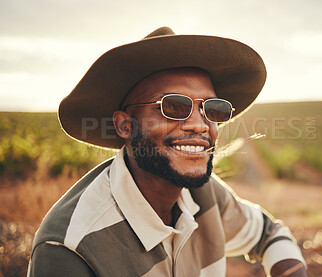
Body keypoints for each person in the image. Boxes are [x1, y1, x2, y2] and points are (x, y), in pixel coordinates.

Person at [28, 27, 307, 277]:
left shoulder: (205, 195)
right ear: (125, 125)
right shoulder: (72, 248)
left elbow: (269, 233)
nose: (200, 124)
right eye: (174, 106)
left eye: (211, 109)